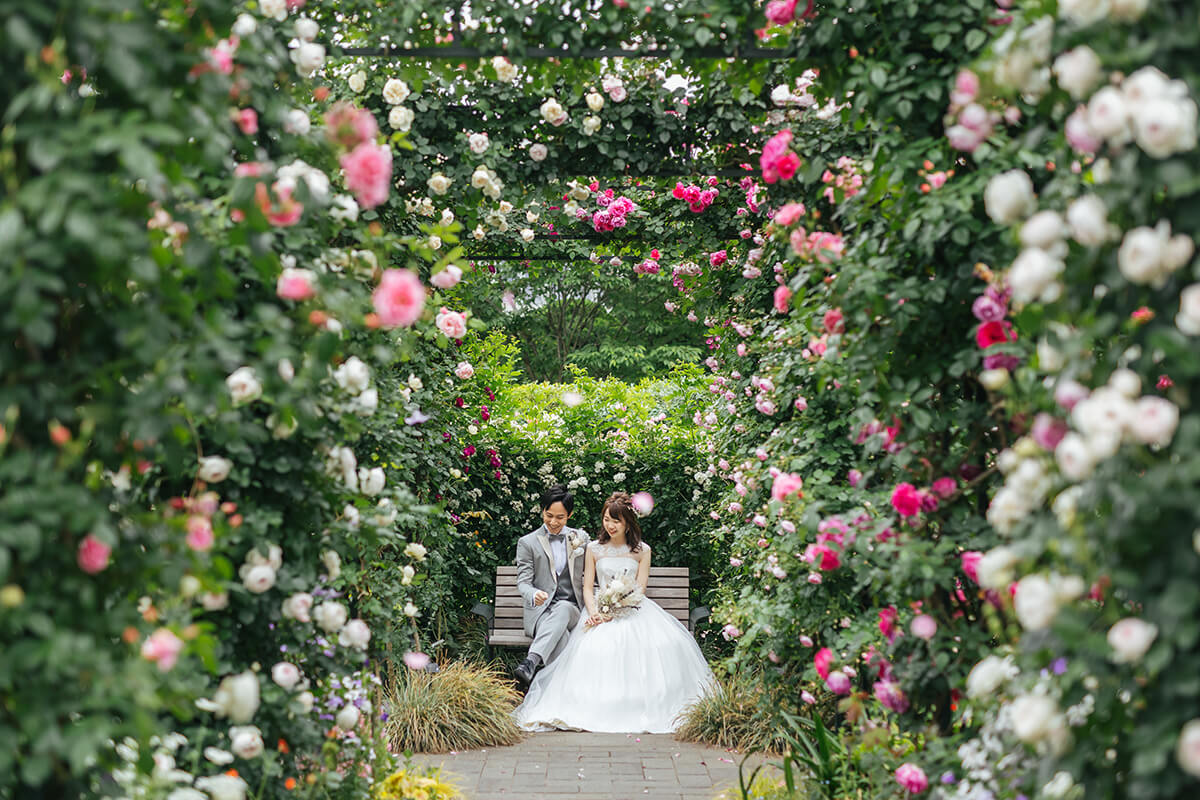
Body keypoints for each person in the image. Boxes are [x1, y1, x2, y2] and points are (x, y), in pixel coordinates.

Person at [514, 491, 716, 733]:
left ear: (628, 523)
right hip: (598, 610)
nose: (610, 525)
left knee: (660, 646)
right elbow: (588, 587)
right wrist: (595, 612)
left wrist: (618, 606)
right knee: (591, 648)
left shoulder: (643, 550)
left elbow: (639, 589)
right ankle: (548, 677)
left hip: (634, 609)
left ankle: (637, 705)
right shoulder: (593, 548)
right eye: (607, 519)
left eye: (616, 521)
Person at [511, 484, 590, 686]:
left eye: (560, 517)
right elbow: (523, 582)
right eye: (549, 515)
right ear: (542, 511)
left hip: (571, 609)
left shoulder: (581, 539)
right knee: (561, 637)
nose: (553, 522)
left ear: (569, 515)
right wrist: (534, 593)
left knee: (563, 607)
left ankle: (531, 661)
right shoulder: (527, 542)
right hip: (541, 613)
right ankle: (559, 694)